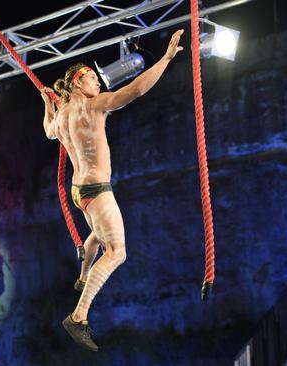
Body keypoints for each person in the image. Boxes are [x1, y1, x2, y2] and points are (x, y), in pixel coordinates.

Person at [41, 29, 185, 351]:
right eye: (91, 77)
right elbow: (135, 89)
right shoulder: (94, 107)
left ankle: (82, 274)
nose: (98, 81)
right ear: (77, 83)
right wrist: (165, 58)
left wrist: (47, 105)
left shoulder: (62, 115)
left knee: (96, 234)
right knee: (117, 252)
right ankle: (78, 316)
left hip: (80, 191)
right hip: (96, 188)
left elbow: (50, 133)